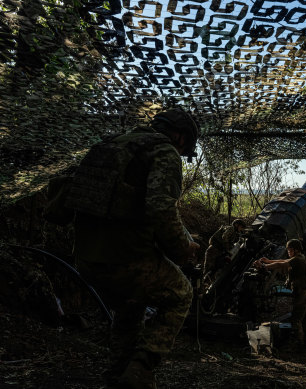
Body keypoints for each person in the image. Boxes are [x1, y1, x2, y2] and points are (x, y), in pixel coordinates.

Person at [67, 108, 200, 389]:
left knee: (131, 306)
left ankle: (116, 377)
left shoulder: (113, 144)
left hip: (87, 257)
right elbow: (161, 208)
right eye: (185, 145)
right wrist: (182, 250)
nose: (183, 150)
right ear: (179, 136)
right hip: (127, 256)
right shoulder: (164, 151)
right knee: (180, 294)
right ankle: (141, 370)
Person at [255, 239, 306, 352]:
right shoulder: (300, 258)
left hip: (302, 294)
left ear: (296, 250)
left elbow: (281, 264)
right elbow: (283, 260)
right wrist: (268, 261)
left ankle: (296, 345)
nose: (288, 251)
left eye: (290, 249)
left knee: (295, 320)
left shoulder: (298, 260)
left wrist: (264, 267)